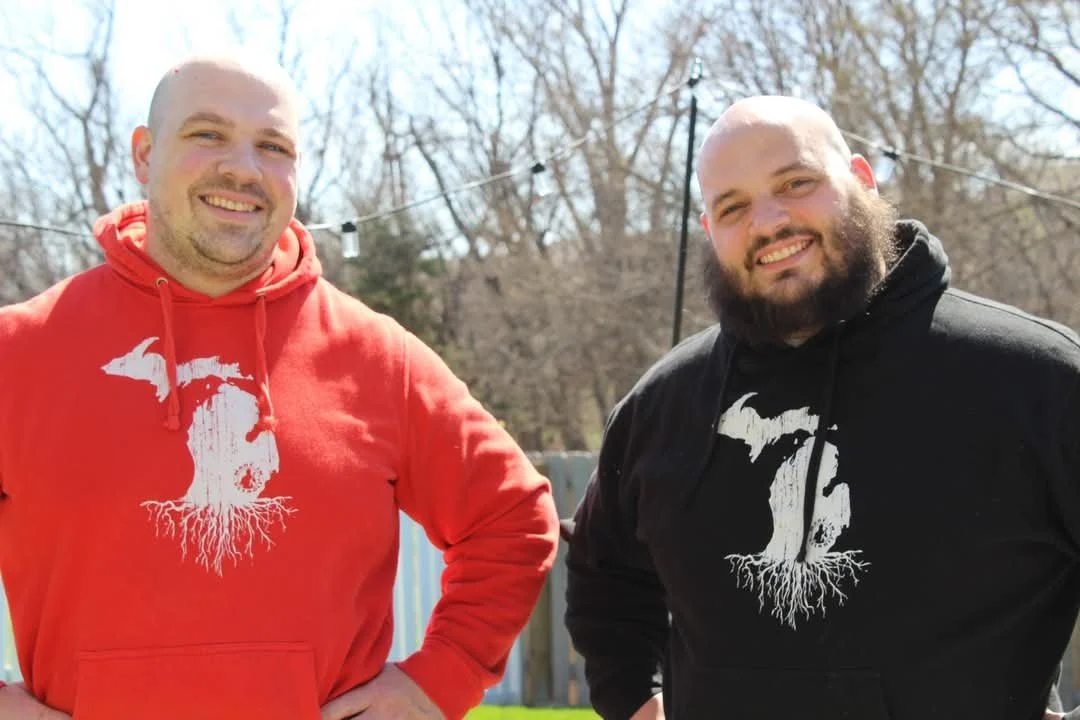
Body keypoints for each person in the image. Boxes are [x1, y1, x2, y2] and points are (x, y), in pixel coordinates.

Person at [0, 54, 559, 720]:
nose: (243, 168)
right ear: (144, 155)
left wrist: (439, 679)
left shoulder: (375, 356)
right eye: (207, 134)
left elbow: (512, 517)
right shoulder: (19, 351)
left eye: (273, 147)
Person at [563, 94, 1080, 719]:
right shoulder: (661, 408)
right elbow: (605, 585)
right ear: (709, 231)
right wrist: (637, 705)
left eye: (796, 183)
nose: (768, 221)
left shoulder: (1036, 379)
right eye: (733, 207)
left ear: (862, 179)